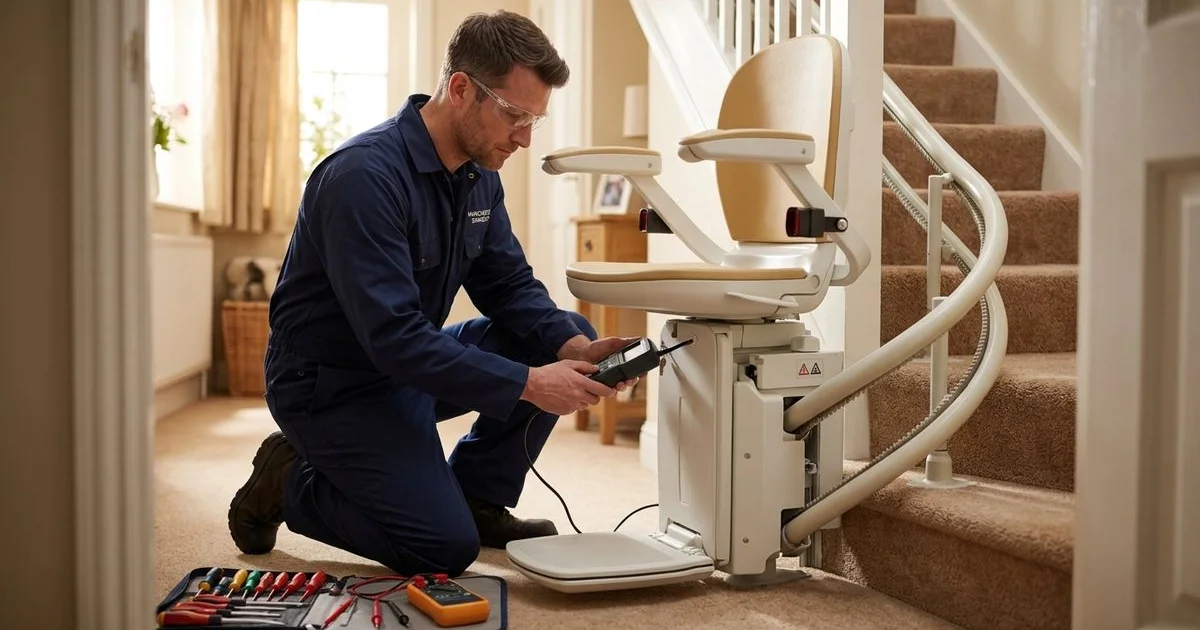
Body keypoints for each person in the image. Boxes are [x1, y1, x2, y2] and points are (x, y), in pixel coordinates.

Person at [226, 10, 638, 578]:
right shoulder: (362, 178)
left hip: (403, 367)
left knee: (566, 334)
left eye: (534, 120)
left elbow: (508, 284)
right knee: (442, 549)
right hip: (331, 386)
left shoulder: (478, 173)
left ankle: (477, 499)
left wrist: (574, 350)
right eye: (514, 114)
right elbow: (394, 338)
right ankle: (289, 482)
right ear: (461, 88)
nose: (524, 137)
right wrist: (530, 384)